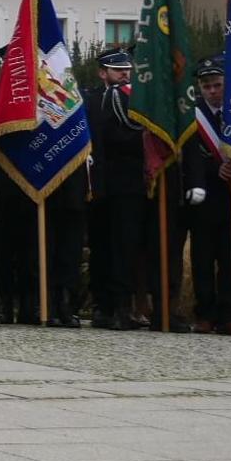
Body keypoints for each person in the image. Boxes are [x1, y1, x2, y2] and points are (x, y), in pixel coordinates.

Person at [181, 58, 231, 335]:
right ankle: (205, 313)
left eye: (217, 85)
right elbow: (189, 156)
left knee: (230, 259)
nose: (213, 91)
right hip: (203, 196)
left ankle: (229, 313)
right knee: (203, 259)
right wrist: (215, 168)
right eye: (207, 86)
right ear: (200, 88)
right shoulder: (193, 117)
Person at [85, 49, 143, 330]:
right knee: (101, 246)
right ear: (102, 73)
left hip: (129, 183)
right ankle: (101, 305)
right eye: (116, 69)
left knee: (126, 246)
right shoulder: (92, 99)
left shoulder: (136, 99)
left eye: (126, 69)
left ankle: (122, 305)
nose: (124, 73)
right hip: (97, 183)